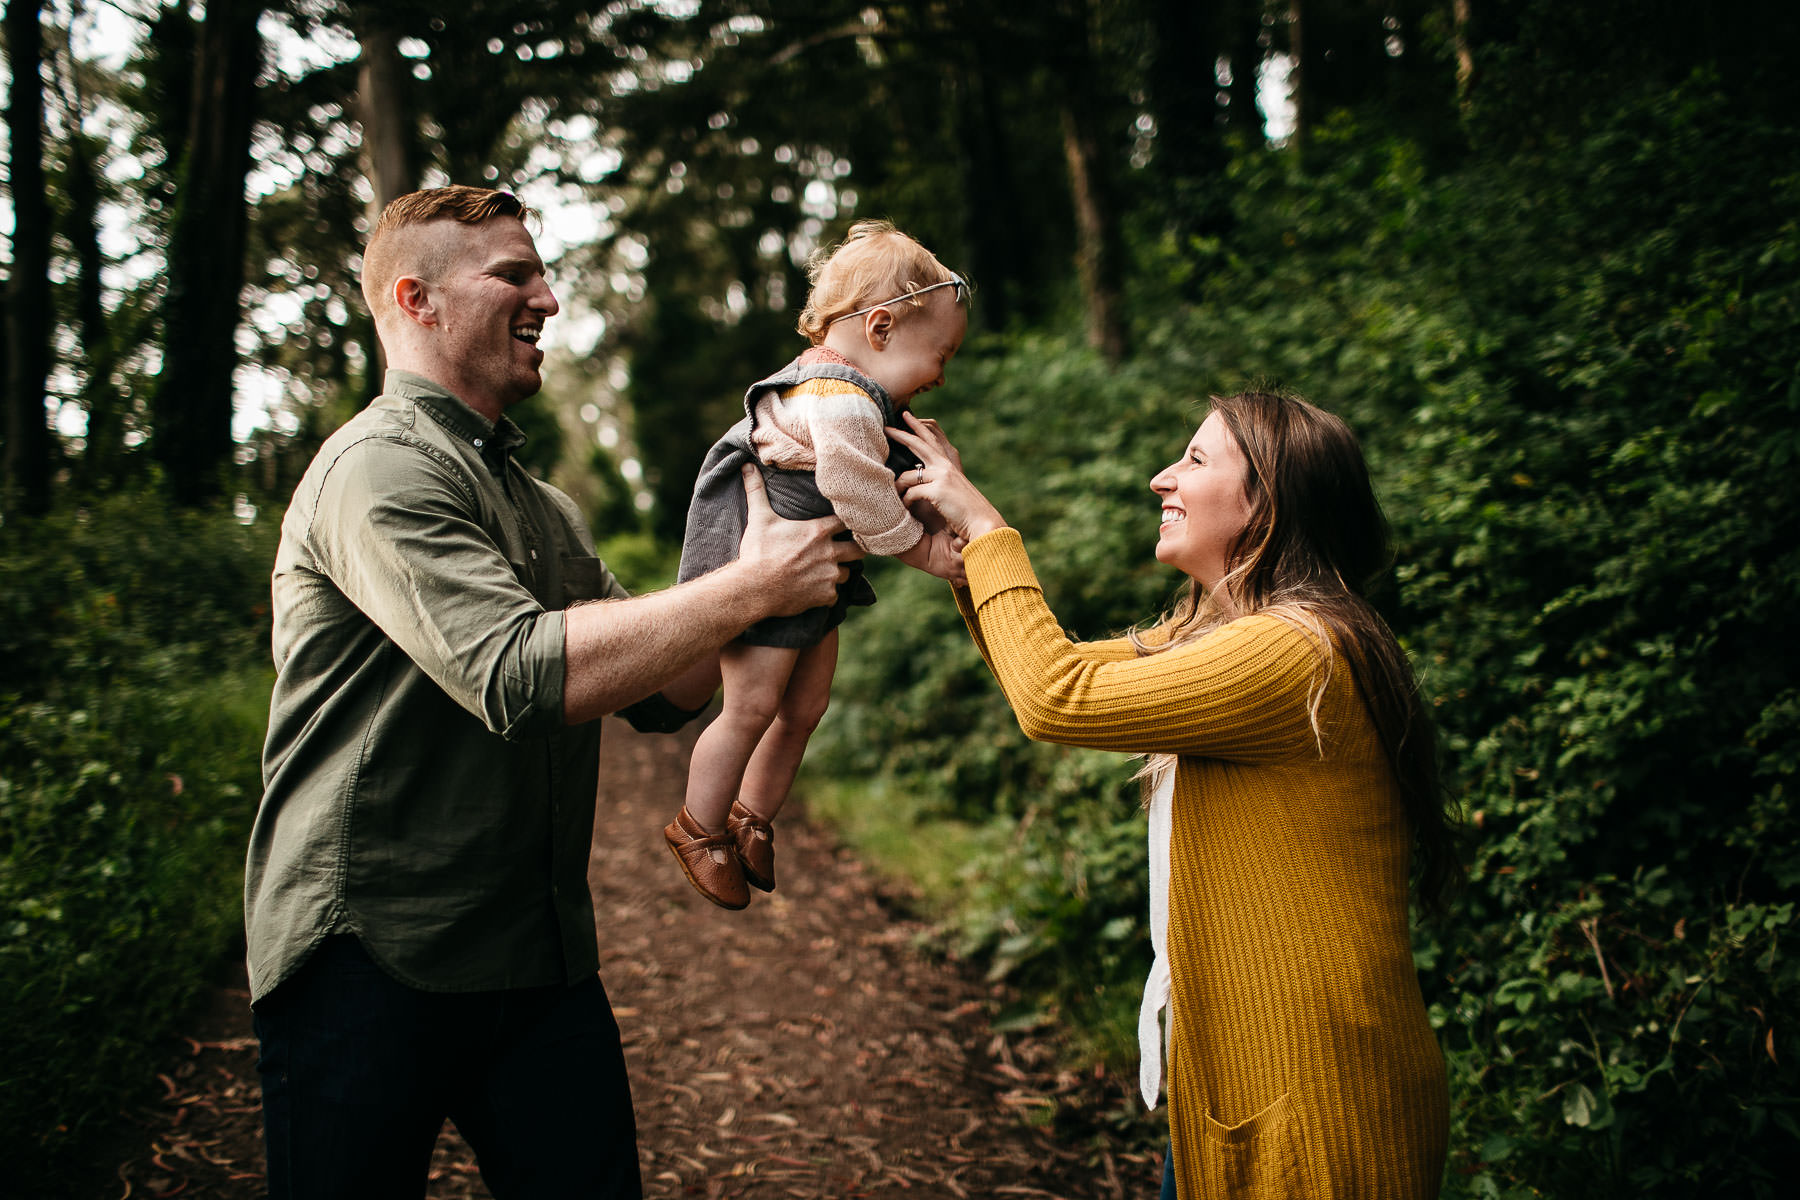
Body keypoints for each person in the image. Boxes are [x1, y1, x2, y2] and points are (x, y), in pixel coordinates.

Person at [245, 186, 860, 1199]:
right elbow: (518, 673)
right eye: (513, 275)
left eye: (544, 275)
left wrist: (788, 536)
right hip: (368, 953)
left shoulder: (544, 507)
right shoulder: (376, 470)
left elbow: (668, 689)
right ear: (416, 299)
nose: (549, 299)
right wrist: (751, 585)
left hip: (536, 953)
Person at [891, 391, 1459, 1198]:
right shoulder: (1233, 636)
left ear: (1266, 499)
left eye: (1194, 459)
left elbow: (1056, 697)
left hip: (1316, 1103)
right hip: (1242, 1090)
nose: (1162, 478)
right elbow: (1050, 672)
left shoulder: (1292, 652)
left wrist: (988, 531)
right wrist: (964, 558)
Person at [664, 221, 969, 909]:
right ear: (881, 327)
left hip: (814, 582)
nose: (942, 375)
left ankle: (751, 815)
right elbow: (858, 490)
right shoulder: (840, 401)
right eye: (940, 354)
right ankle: (698, 827)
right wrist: (923, 550)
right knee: (751, 707)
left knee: (804, 708)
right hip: (773, 581)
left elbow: (882, 482)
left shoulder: (858, 401)